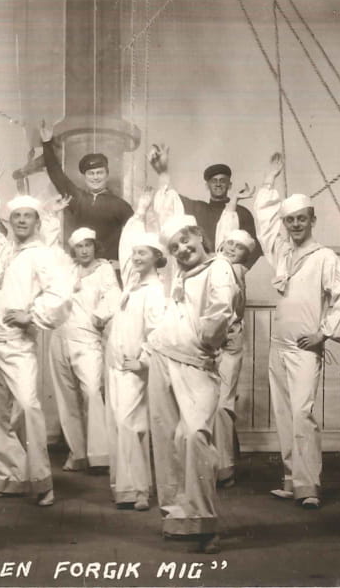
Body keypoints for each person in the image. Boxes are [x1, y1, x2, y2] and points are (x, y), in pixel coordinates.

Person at [248, 153, 340, 510]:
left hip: (304, 349)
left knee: (302, 414)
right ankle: (290, 480)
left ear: (312, 220)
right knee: (284, 414)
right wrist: (269, 182)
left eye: (301, 218)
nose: (295, 224)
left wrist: (324, 333)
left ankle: (309, 484)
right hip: (278, 346)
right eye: (290, 220)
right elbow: (265, 226)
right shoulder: (281, 252)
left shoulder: (324, 256)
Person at [0, 170, 71, 506]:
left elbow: (60, 291)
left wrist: (34, 315)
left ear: (37, 222)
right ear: (10, 221)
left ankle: (42, 481)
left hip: (17, 341)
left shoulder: (43, 254)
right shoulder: (3, 250)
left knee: (27, 406)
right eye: (16, 216)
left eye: (28, 216)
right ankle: (9, 476)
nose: (22, 220)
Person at [148, 212, 241, 554]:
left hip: (196, 361)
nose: (182, 249)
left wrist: (204, 342)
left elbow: (220, 310)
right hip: (162, 354)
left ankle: (204, 521)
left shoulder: (219, 268)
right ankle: (177, 518)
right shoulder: (180, 273)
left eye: (185, 241)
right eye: (174, 247)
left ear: (199, 235)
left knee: (195, 436)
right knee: (167, 437)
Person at [107, 192, 169, 511]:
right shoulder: (132, 285)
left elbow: (156, 332)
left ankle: (140, 489)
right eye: (135, 253)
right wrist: (140, 213)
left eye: (142, 253)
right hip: (116, 365)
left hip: (135, 367)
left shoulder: (155, 291)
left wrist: (142, 361)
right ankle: (125, 487)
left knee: (132, 424)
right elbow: (127, 241)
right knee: (120, 424)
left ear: (156, 256)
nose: (135, 257)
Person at [51, 225, 118, 473]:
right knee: (66, 396)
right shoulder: (67, 270)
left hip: (86, 336)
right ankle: (77, 453)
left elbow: (114, 295)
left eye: (88, 245)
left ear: (94, 246)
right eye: (79, 246)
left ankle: (99, 454)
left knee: (91, 390)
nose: (84, 250)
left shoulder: (104, 269)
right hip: (60, 334)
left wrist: (100, 315)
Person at [39, 119, 133, 262]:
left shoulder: (121, 205)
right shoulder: (78, 200)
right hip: (82, 267)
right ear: (84, 177)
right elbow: (57, 175)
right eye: (91, 173)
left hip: (110, 267)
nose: (95, 177)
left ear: (107, 175)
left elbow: (135, 236)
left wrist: (121, 262)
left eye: (99, 173)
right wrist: (46, 143)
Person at [212, 211, 256, 489]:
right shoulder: (215, 265)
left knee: (223, 403)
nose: (232, 249)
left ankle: (225, 467)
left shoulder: (236, 271)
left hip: (229, 340)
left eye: (239, 247)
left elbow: (229, 310)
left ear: (244, 256)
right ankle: (213, 462)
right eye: (229, 243)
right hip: (209, 341)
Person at [150, 144, 257, 252]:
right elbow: (172, 199)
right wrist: (163, 173)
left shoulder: (242, 213)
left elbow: (253, 249)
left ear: (229, 185)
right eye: (214, 181)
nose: (218, 184)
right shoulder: (197, 208)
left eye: (222, 180)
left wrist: (236, 264)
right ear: (207, 186)